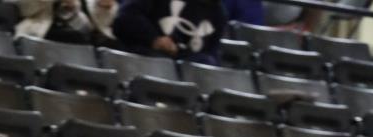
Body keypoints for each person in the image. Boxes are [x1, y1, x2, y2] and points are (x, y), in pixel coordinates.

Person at [111, 0, 263, 63]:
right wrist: (154, 39)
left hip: (186, 74)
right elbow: (124, 18)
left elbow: (211, 54)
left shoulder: (217, 12)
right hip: (144, 60)